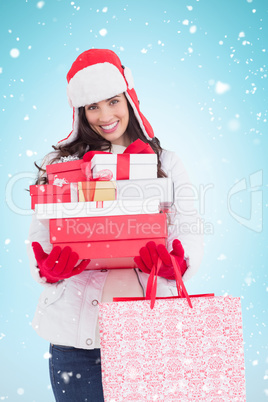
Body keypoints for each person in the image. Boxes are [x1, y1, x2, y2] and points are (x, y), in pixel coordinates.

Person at [27, 49, 204, 402]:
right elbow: (41, 234)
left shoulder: (166, 162)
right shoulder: (61, 163)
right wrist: (46, 266)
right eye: (93, 106)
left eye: (112, 101)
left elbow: (188, 226)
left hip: (150, 338)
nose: (105, 116)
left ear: (129, 99)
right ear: (80, 111)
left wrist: (178, 261)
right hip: (75, 342)